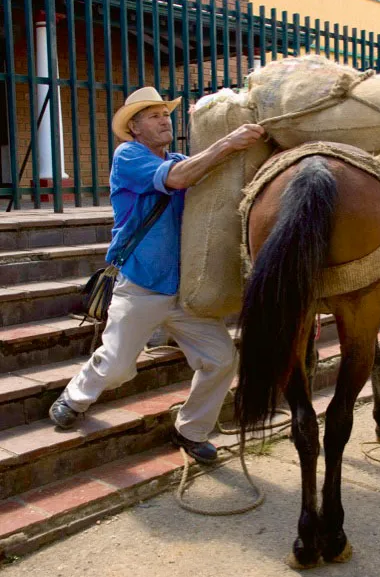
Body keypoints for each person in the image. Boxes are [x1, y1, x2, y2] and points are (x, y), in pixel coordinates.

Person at [49, 87, 264, 464]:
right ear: (134, 127)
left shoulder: (181, 158)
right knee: (116, 366)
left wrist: (218, 121)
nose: (164, 119)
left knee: (221, 359)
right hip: (142, 285)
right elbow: (179, 178)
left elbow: (207, 173)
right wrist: (228, 142)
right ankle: (75, 397)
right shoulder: (128, 156)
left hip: (185, 290)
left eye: (166, 113)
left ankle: (191, 430)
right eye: (153, 115)